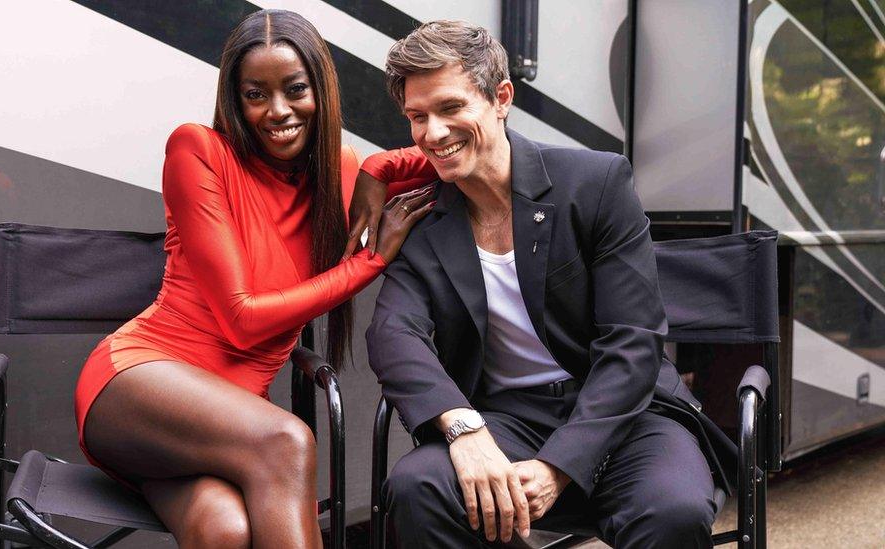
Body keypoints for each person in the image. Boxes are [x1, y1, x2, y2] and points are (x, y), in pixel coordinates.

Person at [364, 20, 735, 548]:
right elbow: (392, 335)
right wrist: (465, 430)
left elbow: (633, 343)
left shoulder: (597, 183)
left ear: (501, 98)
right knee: (418, 485)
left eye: (451, 108)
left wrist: (561, 464)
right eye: (417, 117)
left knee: (670, 511)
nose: (433, 133)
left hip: (625, 417)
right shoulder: (423, 220)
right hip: (505, 420)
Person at [73, 10, 433, 549]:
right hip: (138, 381)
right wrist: (367, 263)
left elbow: (454, 151)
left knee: (225, 531)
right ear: (235, 100)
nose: (278, 111)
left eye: (294, 89)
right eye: (256, 94)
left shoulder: (340, 168)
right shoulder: (197, 150)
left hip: (227, 429)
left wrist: (380, 167)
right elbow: (243, 321)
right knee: (289, 439)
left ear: (321, 90)